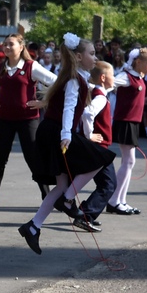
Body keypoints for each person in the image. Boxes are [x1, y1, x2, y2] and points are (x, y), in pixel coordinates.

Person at [19, 34, 115, 255]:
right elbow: (68, 108)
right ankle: (69, 200)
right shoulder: (74, 79)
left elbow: (60, 101)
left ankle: (33, 227)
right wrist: (67, 135)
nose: (95, 57)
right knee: (101, 158)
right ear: (79, 57)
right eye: (91, 53)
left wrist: (45, 104)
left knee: (61, 185)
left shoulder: (74, 77)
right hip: (58, 132)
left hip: (54, 130)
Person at [0, 34, 56, 205]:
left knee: (33, 157)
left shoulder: (31, 66)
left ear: (21, 47)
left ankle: (47, 195)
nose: (7, 47)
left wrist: (44, 101)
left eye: (11, 44)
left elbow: (55, 81)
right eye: (5, 44)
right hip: (4, 119)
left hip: (27, 119)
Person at [106, 47, 147, 215]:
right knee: (128, 162)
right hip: (125, 122)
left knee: (129, 162)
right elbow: (110, 82)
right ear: (138, 62)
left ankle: (120, 200)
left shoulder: (138, 77)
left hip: (133, 123)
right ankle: (115, 200)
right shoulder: (126, 77)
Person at [74, 60, 115, 231]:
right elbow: (87, 113)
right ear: (104, 77)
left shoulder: (98, 92)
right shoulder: (99, 96)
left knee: (105, 183)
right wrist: (89, 134)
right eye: (112, 75)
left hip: (98, 147)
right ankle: (85, 215)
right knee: (109, 184)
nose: (115, 79)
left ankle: (84, 213)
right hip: (99, 148)